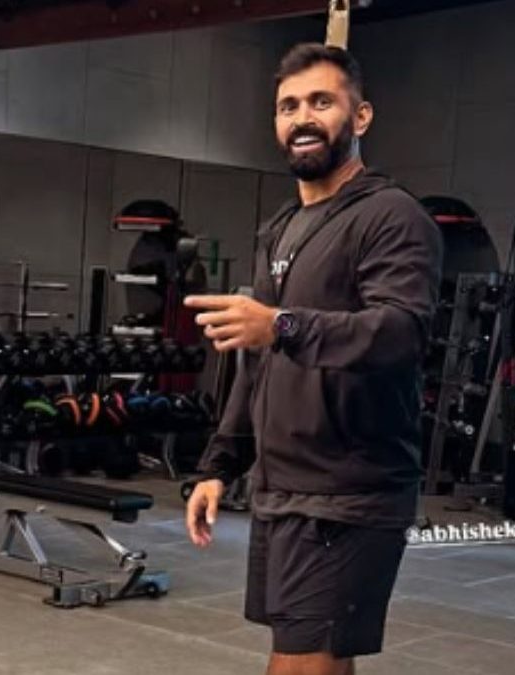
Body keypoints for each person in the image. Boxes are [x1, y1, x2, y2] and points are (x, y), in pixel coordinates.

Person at [183, 43, 442, 675]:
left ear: (360, 117)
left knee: (301, 664)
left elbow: (399, 332)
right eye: (288, 105)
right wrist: (221, 464)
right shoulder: (282, 228)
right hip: (285, 488)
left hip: (349, 489)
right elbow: (259, 358)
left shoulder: (391, 217)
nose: (303, 117)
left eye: (321, 102)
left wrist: (284, 325)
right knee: (312, 656)